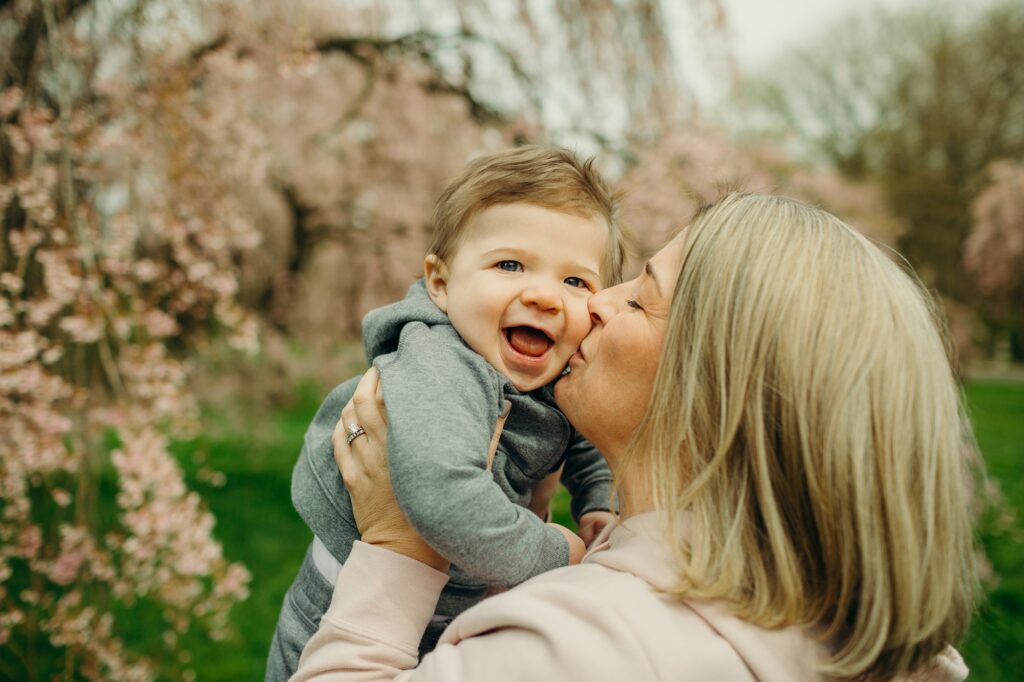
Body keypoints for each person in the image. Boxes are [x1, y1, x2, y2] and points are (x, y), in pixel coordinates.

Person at [293, 193, 976, 681]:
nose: (594, 302)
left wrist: (395, 546)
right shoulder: (821, 618)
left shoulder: (584, 654)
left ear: (712, 379)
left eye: (641, 294)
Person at [266, 146, 628, 680]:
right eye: (510, 264)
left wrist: (599, 498)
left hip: (454, 601)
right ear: (440, 283)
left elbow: (578, 430)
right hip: (342, 602)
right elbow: (441, 489)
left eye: (576, 282)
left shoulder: (548, 364)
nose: (547, 297)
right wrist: (553, 553)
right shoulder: (444, 363)